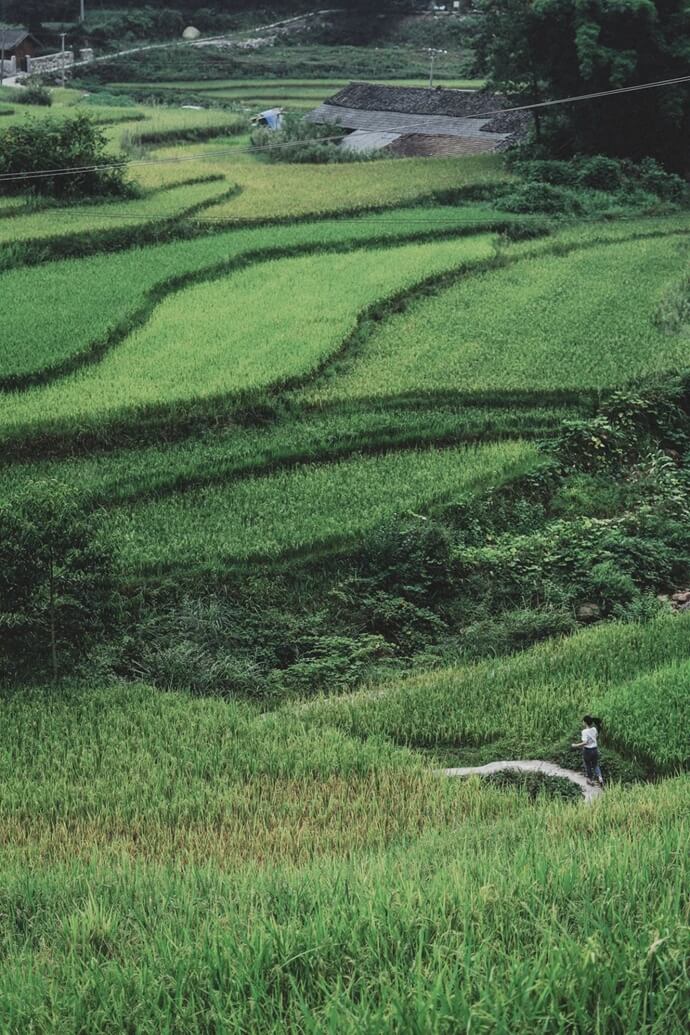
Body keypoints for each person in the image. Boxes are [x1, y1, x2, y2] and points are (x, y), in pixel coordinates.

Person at [572, 715, 604, 788]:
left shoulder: (584, 731)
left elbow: (585, 742)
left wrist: (575, 745)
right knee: (595, 765)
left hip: (587, 751)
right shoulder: (594, 729)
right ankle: (600, 778)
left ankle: (590, 780)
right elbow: (595, 737)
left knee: (588, 765)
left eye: (583, 721)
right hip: (595, 750)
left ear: (585, 722)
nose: (582, 722)